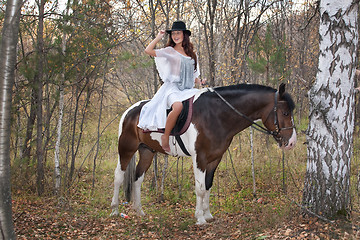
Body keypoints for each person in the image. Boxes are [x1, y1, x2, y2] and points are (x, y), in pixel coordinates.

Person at [138, 20, 204, 152]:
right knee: (178, 106)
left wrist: (200, 81)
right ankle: (165, 136)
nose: (175, 36)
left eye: (178, 33)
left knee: (202, 103)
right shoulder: (169, 51)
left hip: (187, 89)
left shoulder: (191, 55)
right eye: (173, 33)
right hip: (172, 88)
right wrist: (158, 37)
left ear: (184, 34)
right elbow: (148, 50)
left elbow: (193, 76)